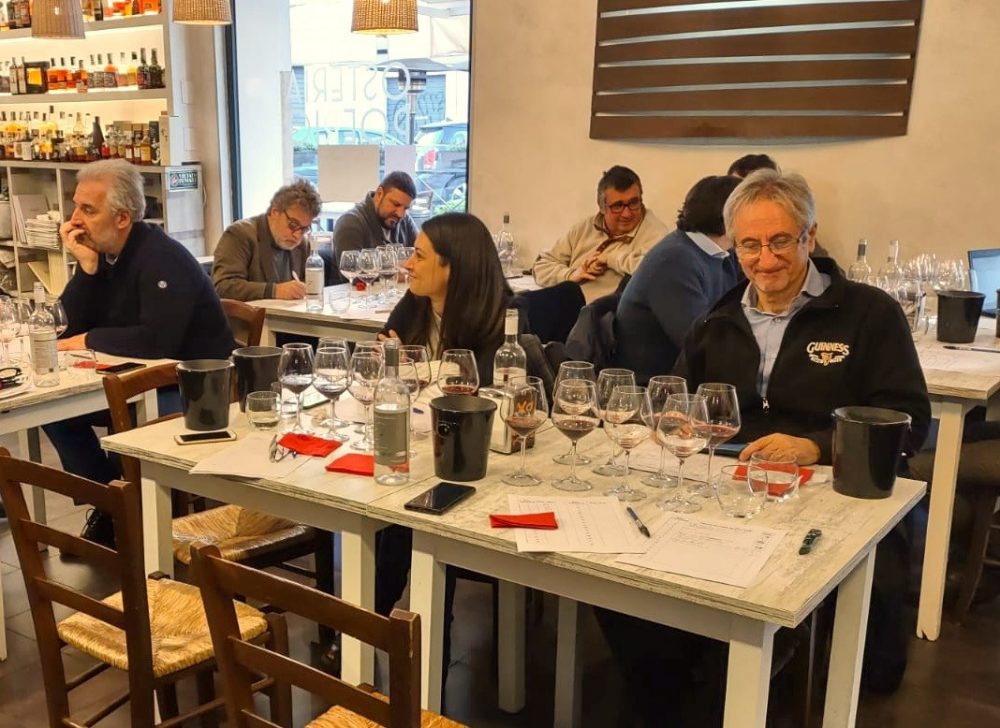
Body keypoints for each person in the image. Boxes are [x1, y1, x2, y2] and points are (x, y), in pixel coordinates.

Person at [597, 169, 931, 726]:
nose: (765, 259)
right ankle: (677, 683)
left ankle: (743, 674)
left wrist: (817, 446)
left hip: (832, 495)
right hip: (731, 491)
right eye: (749, 244)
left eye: (780, 241)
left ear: (810, 237)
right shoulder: (717, 319)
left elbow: (908, 421)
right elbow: (681, 402)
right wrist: (677, 423)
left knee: (845, 632)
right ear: (733, 246)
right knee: (620, 576)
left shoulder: (868, 314)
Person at [44, 159, 235, 547]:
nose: (74, 220)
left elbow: (157, 341)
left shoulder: (161, 258)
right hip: (141, 378)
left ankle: (124, 514)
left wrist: (90, 339)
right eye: (76, 206)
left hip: (199, 388)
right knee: (56, 414)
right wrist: (86, 269)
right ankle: (115, 505)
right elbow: (66, 326)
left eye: (88, 210)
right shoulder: (104, 254)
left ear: (122, 218)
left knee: (125, 419)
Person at [375, 212, 520, 686]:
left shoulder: (504, 320)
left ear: (453, 266)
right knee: (393, 507)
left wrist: (419, 374)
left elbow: (482, 394)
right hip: (422, 450)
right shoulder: (415, 304)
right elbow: (392, 364)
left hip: (485, 468)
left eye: (419, 256)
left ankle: (398, 635)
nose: (407, 265)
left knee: (413, 516)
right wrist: (393, 364)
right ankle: (368, 625)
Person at [614, 174, 742, 384]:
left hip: (691, 380)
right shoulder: (674, 261)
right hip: (655, 389)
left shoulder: (721, 252)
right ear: (730, 218)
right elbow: (702, 347)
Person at [532, 165, 668, 303]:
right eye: (618, 206)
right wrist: (570, 275)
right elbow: (541, 266)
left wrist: (610, 258)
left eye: (634, 203)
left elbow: (656, 272)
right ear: (601, 207)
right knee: (522, 303)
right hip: (563, 305)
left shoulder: (655, 233)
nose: (627, 214)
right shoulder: (584, 228)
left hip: (601, 313)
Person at [212, 179, 323, 301]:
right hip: (251, 313)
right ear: (275, 212)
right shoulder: (240, 234)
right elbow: (223, 287)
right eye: (293, 224)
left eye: (304, 228)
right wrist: (274, 291)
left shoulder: (302, 245)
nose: (297, 235)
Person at [330, 171, 419, 281]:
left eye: (405, 208)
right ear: (379, 194)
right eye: (396, 204)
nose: (400, 214)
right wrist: (394, 275)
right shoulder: (351, 222)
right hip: (351, 291)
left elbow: (423, 256)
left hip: (395, 291)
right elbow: (352, 274)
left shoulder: (405, 221)